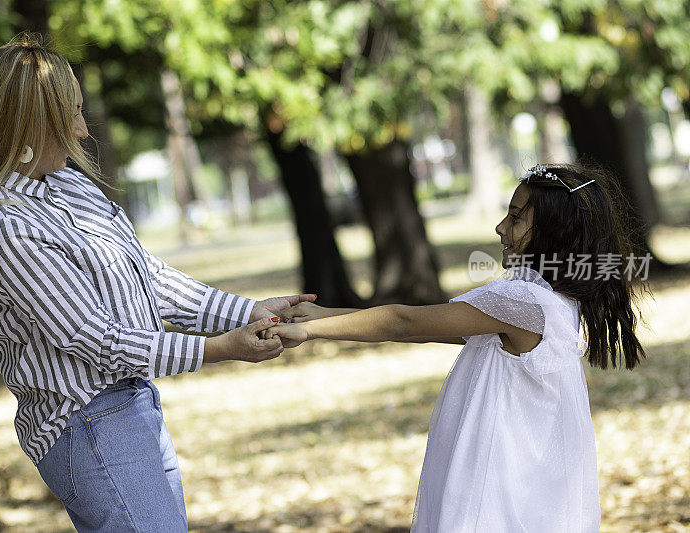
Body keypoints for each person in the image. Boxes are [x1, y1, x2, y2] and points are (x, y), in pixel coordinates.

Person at [0, 35, 314, 532]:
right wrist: (220, 350)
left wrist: (243, 311)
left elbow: (147, 276)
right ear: (29, 122)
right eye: (68, 115)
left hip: (131, 406)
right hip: (88, 423)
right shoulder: (5, 225)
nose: (81, 129)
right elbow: (93, 338)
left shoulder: (69, 185)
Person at [270, 163, 649, 532]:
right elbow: (426, 328)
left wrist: (315, 329)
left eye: (516, 218)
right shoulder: (552, 303)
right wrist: (324, 314)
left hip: (493, 481)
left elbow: (404, 323)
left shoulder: (524, 303)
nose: (501, 228)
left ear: (555, 231)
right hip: (516, 474)